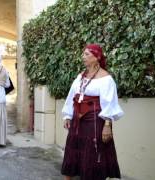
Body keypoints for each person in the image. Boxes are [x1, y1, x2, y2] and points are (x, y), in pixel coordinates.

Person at [61, 44, 124, 180]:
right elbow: (73, 95)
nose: (83, 57)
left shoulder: (106, 78)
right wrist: (67, 115)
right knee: (73, 148)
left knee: (93, 153)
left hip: (95, 121)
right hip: (78, 119)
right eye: (83, 54)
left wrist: (107, 125)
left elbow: (110, 103)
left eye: (87, 54)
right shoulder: (81, 76)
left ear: (97, 57)